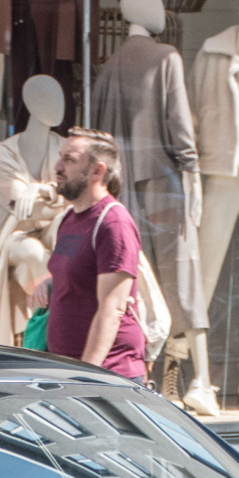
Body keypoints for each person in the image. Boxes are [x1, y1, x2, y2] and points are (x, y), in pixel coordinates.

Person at [28, 128, 148, 381]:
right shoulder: (68, 219)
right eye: (60, 157)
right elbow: (82, 273)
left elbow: (112, 309)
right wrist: (51, 283)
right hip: (67, 370)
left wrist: (85, 375)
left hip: (106, 376)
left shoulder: (113, 223)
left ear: (97, 171)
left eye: (69, 160)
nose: (57, 167)